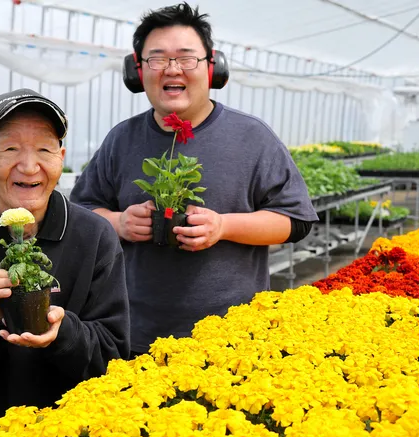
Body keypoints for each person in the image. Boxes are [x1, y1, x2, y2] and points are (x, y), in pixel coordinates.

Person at [71, 2, 318, 357]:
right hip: (136, 336)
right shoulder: (121, 139)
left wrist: (222, 226)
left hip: (235, 339)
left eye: (186, 57)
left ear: (212, 67)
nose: (173, 69)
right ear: (136, 70)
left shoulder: (252, 136)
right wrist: (119, 222)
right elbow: (81, 212)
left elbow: (295, 221)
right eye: (157, 59)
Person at [0, 89, 131, 437]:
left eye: (45, 149)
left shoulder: (94, 236)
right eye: (10, 149)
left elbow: (112, 353)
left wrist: (62, 333)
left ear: (61, 158)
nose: (29, 166)